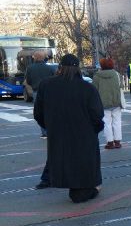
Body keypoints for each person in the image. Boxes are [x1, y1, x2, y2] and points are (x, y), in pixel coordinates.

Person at [33, 54, 105, 203]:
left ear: (60, 67)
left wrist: (50, 126)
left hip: (58, 133)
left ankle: (74, 186)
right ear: (78, 68)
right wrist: (94, 130)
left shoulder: (46, 85)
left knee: (64, 161)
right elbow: (97, 114)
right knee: (82, 168)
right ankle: (85, 189)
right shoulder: (87, 88)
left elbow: (38, 113)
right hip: (84, 135)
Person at [93, 58, 124, 149]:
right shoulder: (117, 75)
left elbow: (94, 90)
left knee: (107, 123)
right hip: (116, 102)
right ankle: (117, 142)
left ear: (101, 65)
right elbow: (121, 86)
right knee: (117, 122)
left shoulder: (97, 76)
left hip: (103, 103)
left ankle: (110, 142)